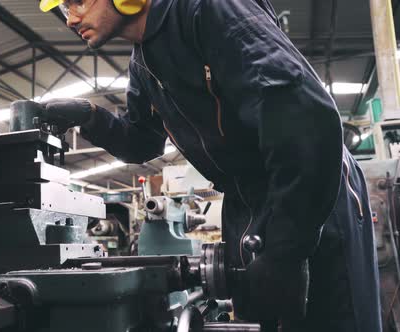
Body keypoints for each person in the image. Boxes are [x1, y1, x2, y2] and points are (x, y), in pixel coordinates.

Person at [37, 0, 382, 330]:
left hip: (307, 190)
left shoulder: (208, 9)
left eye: (78, 1)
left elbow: (305, 122)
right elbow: (142, 140)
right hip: (244, 204)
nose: (70, 19)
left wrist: (287, 249)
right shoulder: (143, 63)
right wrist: (93, 118)